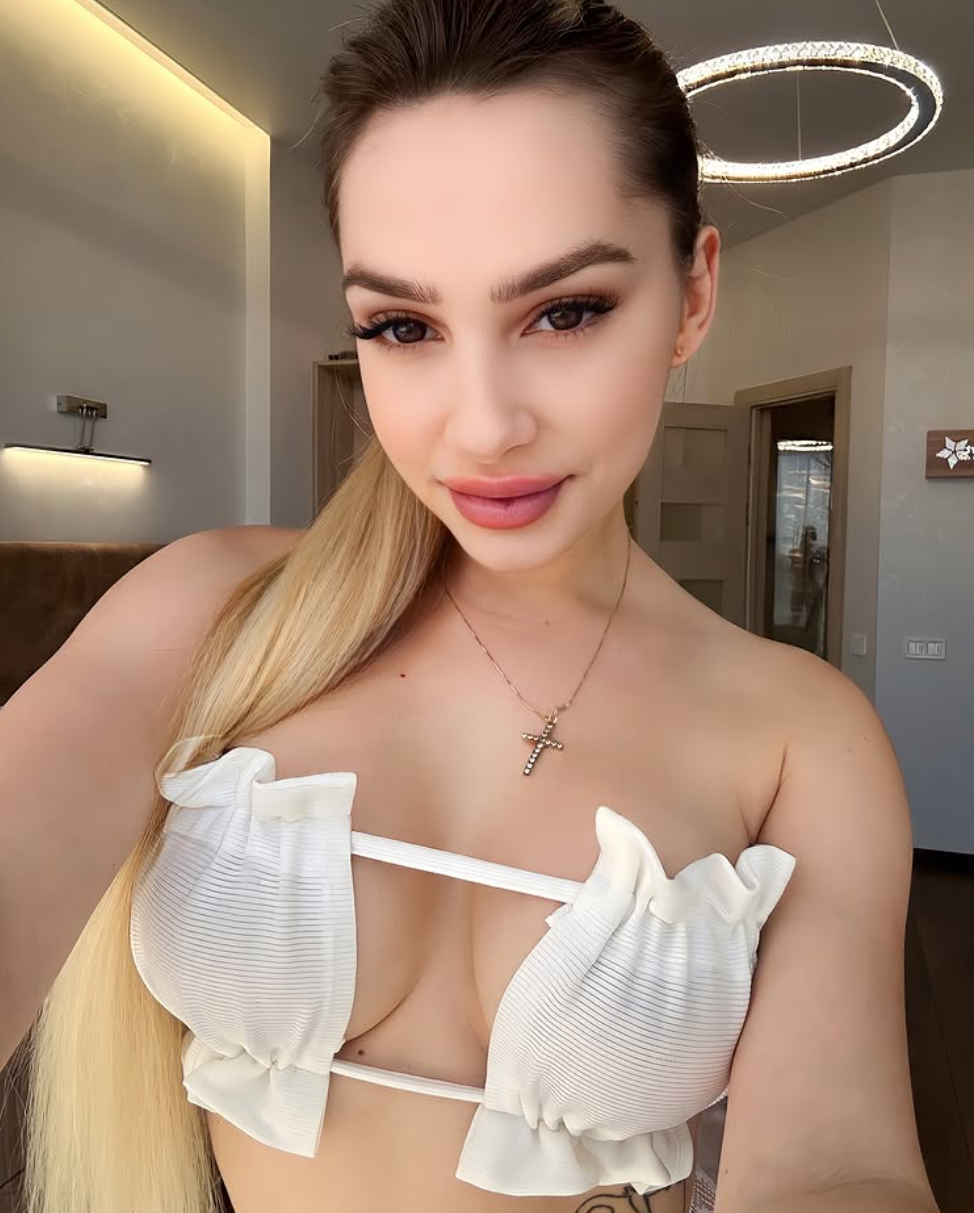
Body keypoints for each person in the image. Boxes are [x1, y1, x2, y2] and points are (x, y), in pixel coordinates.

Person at [0, 2, 938, 1212]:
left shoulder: (801, 735)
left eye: (565, 311)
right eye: (403, 327)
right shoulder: (212, 609)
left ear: (692, 294)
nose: (484, 426)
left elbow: (836, 1164)